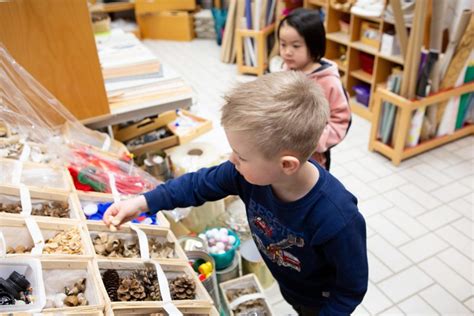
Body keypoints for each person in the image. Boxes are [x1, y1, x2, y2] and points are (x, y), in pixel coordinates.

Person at [104, 72, 368, 316]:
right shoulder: (244, 174)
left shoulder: (337, 218)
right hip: (289, 285)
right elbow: (197, 185)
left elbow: (350, 289)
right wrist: (143, 202)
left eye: (241, 156)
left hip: (319, 301)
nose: (232, 160)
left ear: (286, 164)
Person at [278, 8, 351, 170]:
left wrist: (315, 142)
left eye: (296, 46)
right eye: (283, 44)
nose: (287, 52)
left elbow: (341, 121)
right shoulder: (285, 70)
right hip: (284, 149)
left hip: (313, 156)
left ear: (314, 46)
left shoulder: (329, 82)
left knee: (308, 190)